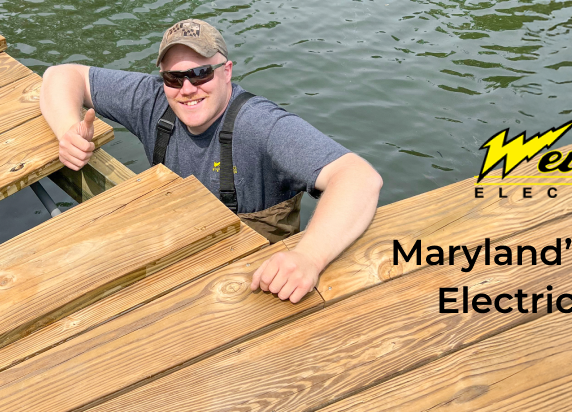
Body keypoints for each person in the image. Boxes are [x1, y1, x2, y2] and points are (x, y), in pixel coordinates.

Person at [40, 18, 383, 304]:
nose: (187, 88)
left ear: (226, 71)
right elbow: (61, 75)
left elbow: (357, 177)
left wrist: (308, 257)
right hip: (176, 259)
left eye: (201, 73)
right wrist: (69, 129)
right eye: (173, 77)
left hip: (256, 285)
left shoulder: (260, 125)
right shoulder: (152, 98)